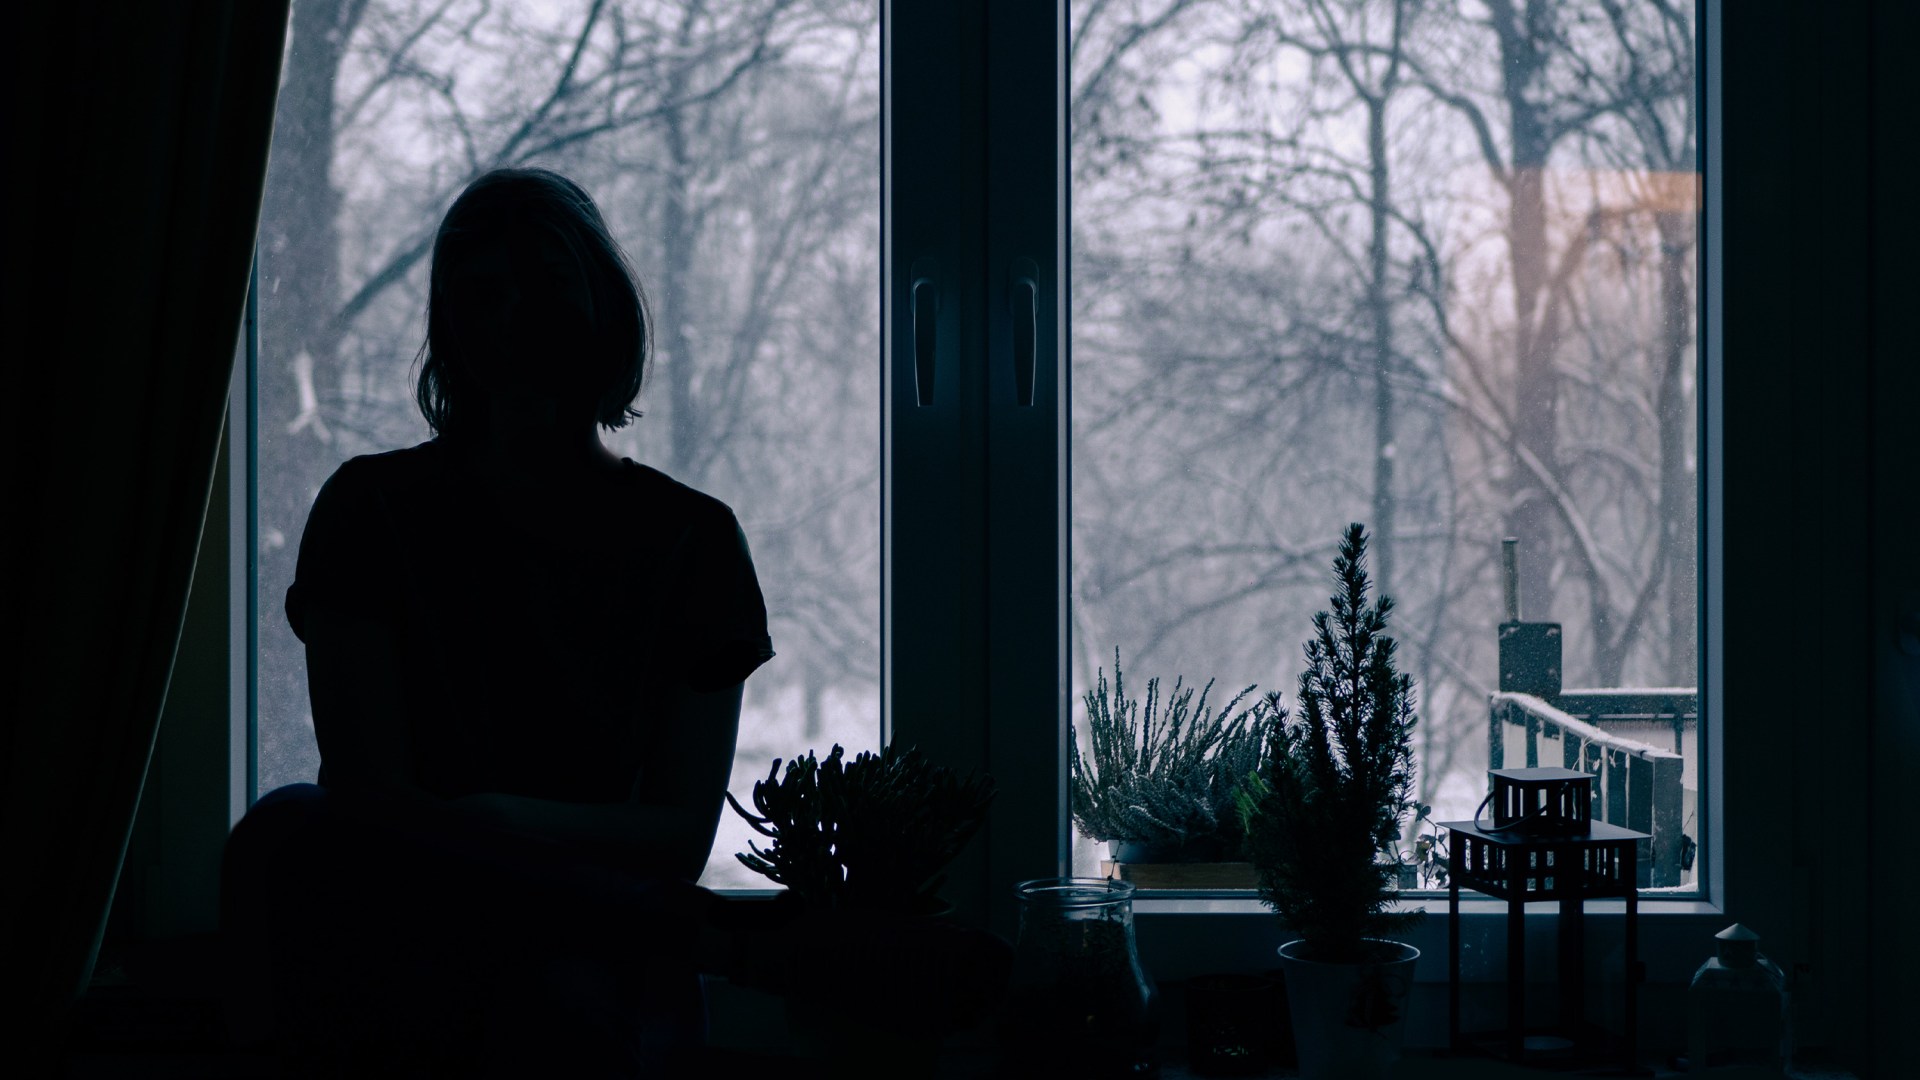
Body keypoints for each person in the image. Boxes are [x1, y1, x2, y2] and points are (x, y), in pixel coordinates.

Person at [221, 167, 773, 1077]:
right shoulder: (369, 510)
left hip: (590, 958)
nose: (517, 315)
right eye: (483, 292)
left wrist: (492, 820)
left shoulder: (694, 540)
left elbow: (679, 836)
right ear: (450, 326)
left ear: (604, 306)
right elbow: (372, 803)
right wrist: (520, 837)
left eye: (548, 283)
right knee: (290, 832)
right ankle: (724, 944)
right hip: (414, 931)